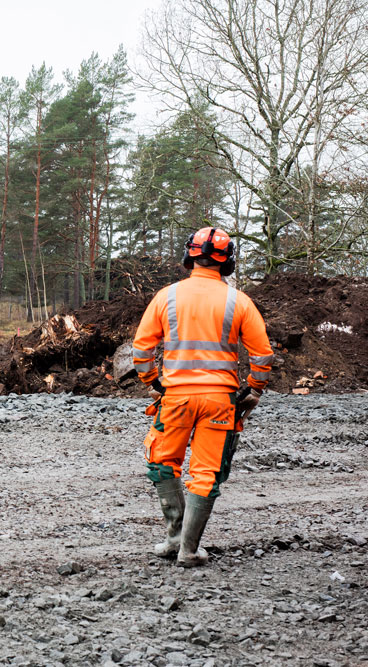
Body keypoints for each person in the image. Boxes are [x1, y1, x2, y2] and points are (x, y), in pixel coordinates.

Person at [132, 226, 273, 568]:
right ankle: (189, 549)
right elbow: (263, 355)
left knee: (162, 462)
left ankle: (174, 538)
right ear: (228, 263)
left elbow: (141, 349)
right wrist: (254, 389)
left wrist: (153, 381)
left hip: (175, 399)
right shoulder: (239, 301)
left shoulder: (166, 297)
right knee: (206, 473)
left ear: (189, 257)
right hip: (220, 402)